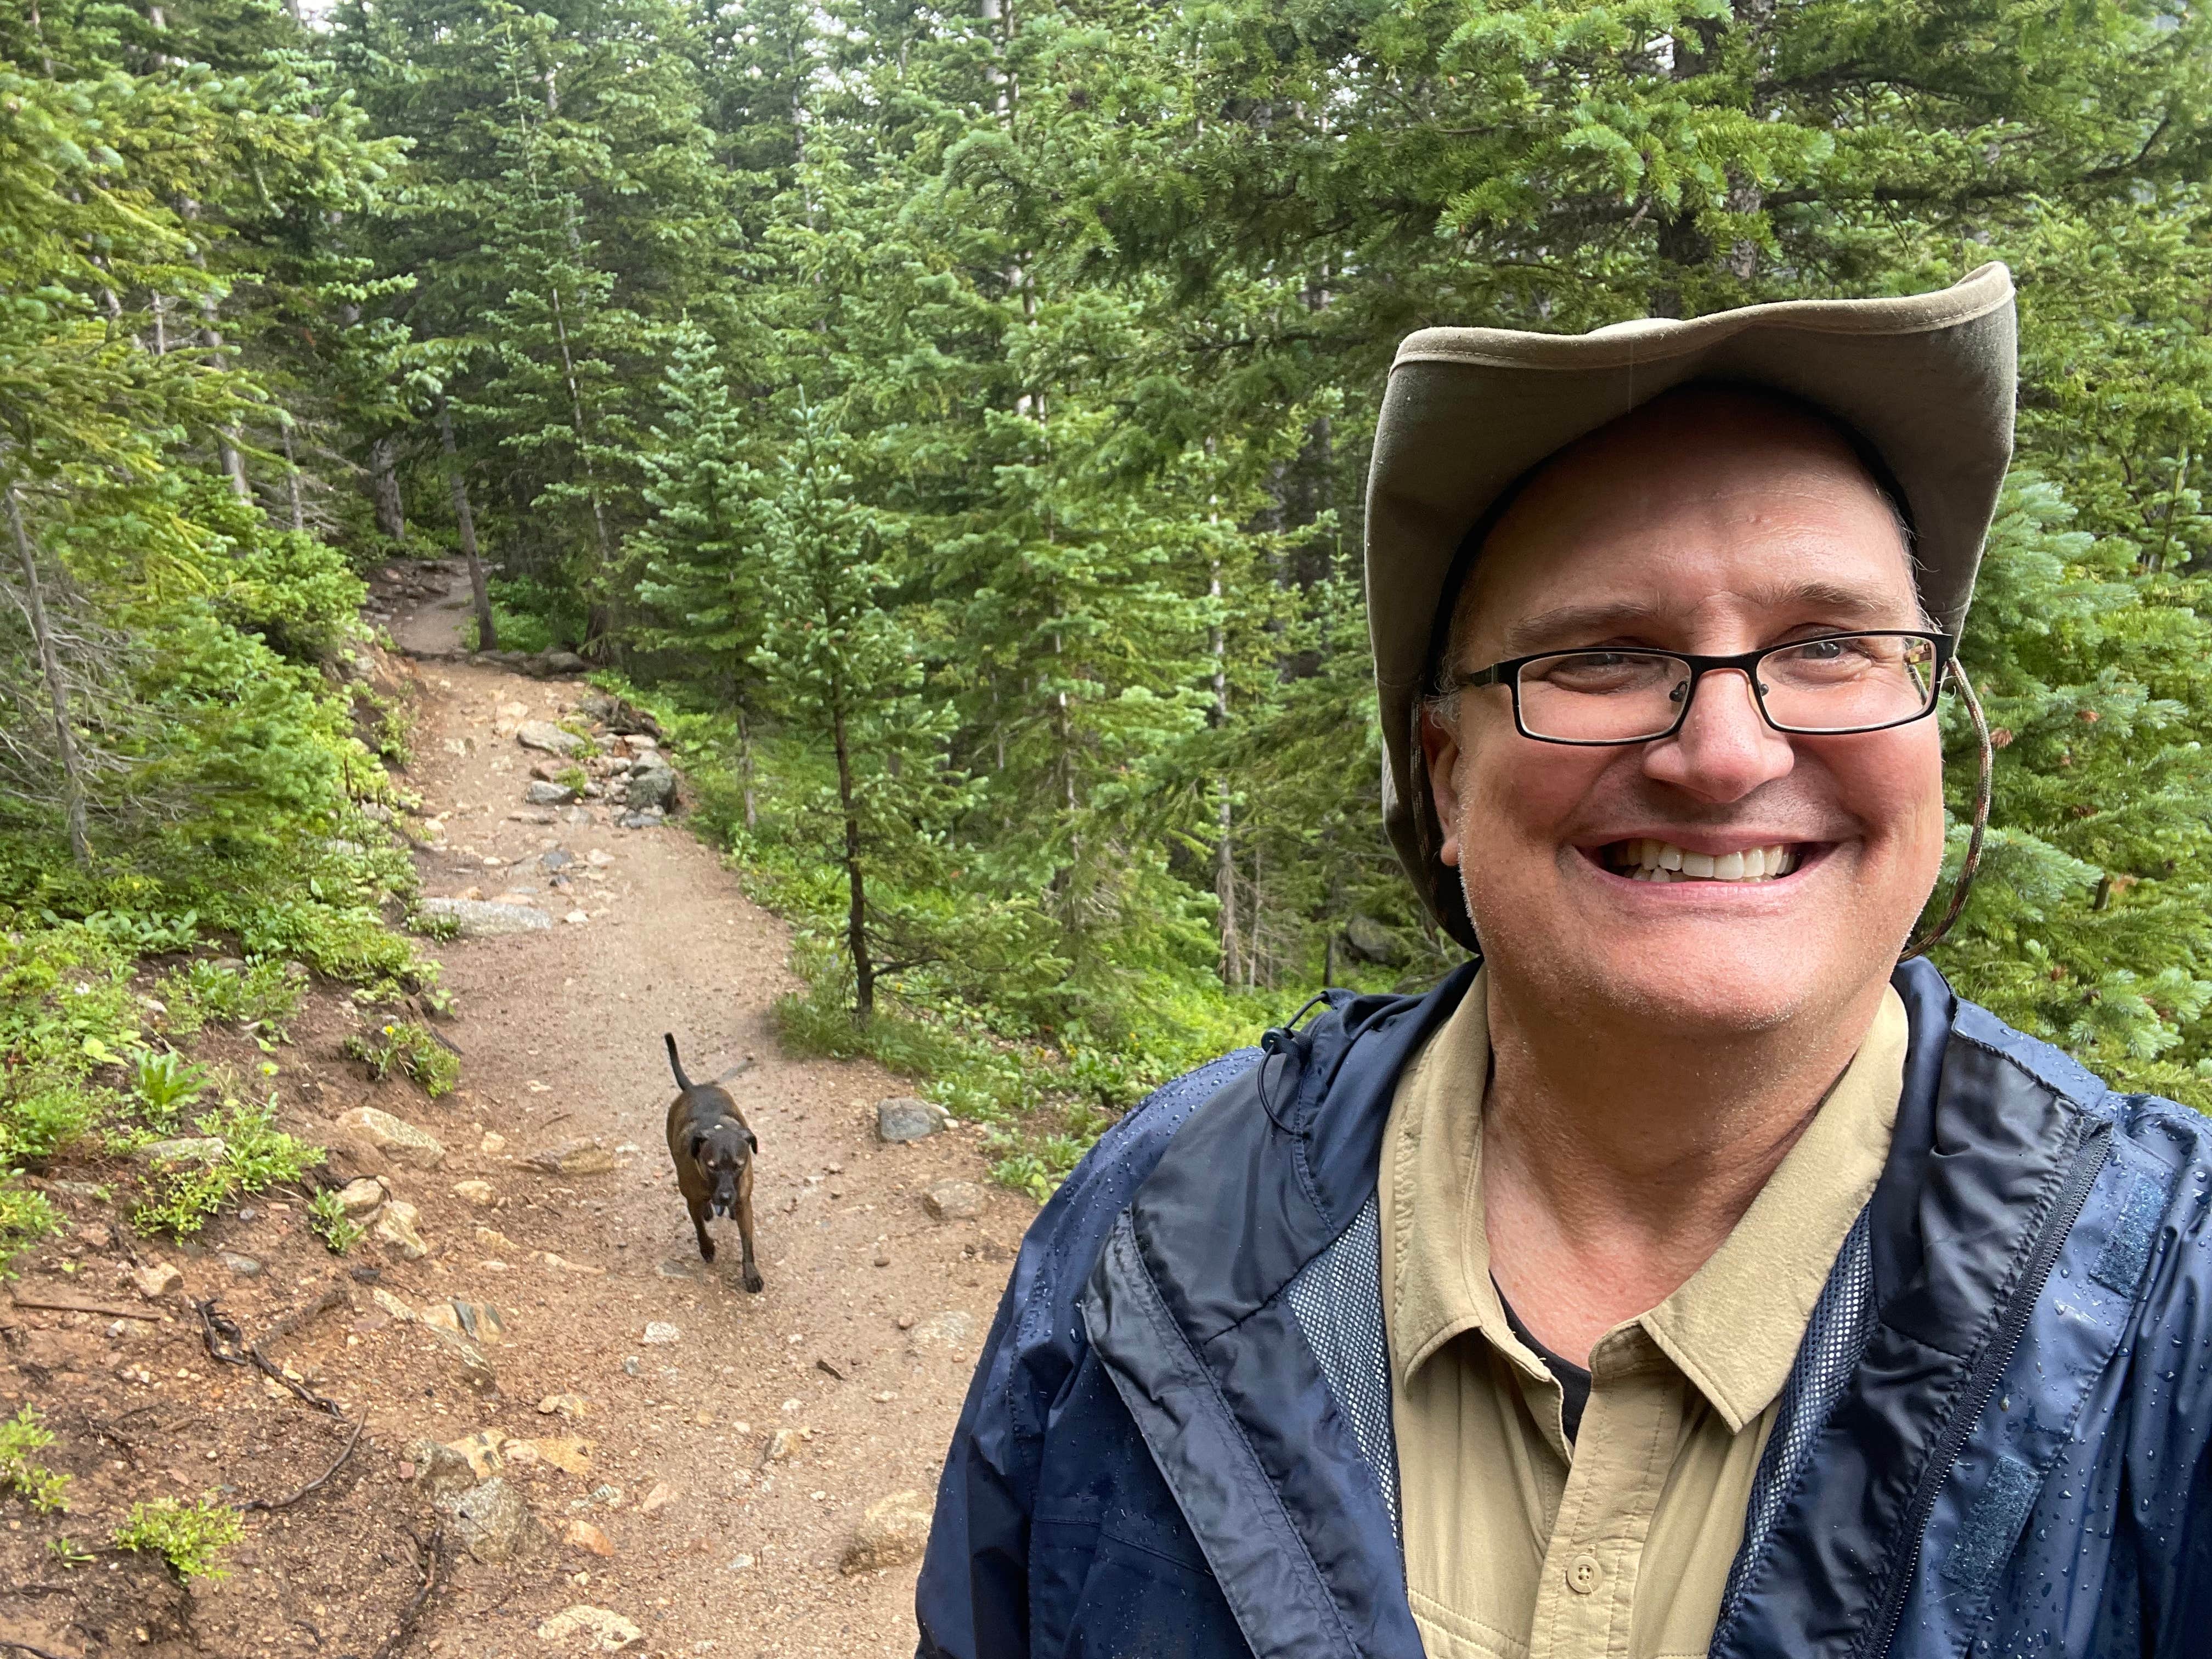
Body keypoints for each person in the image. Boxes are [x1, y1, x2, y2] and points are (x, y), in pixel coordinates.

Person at [913, 264, 2212, 1659]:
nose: (1725, 754)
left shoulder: (2170, 1322)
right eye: (1601, 655)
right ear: (1447, 775)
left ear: (1938, 732)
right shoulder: (1156, 1223)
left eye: (1830, 644)